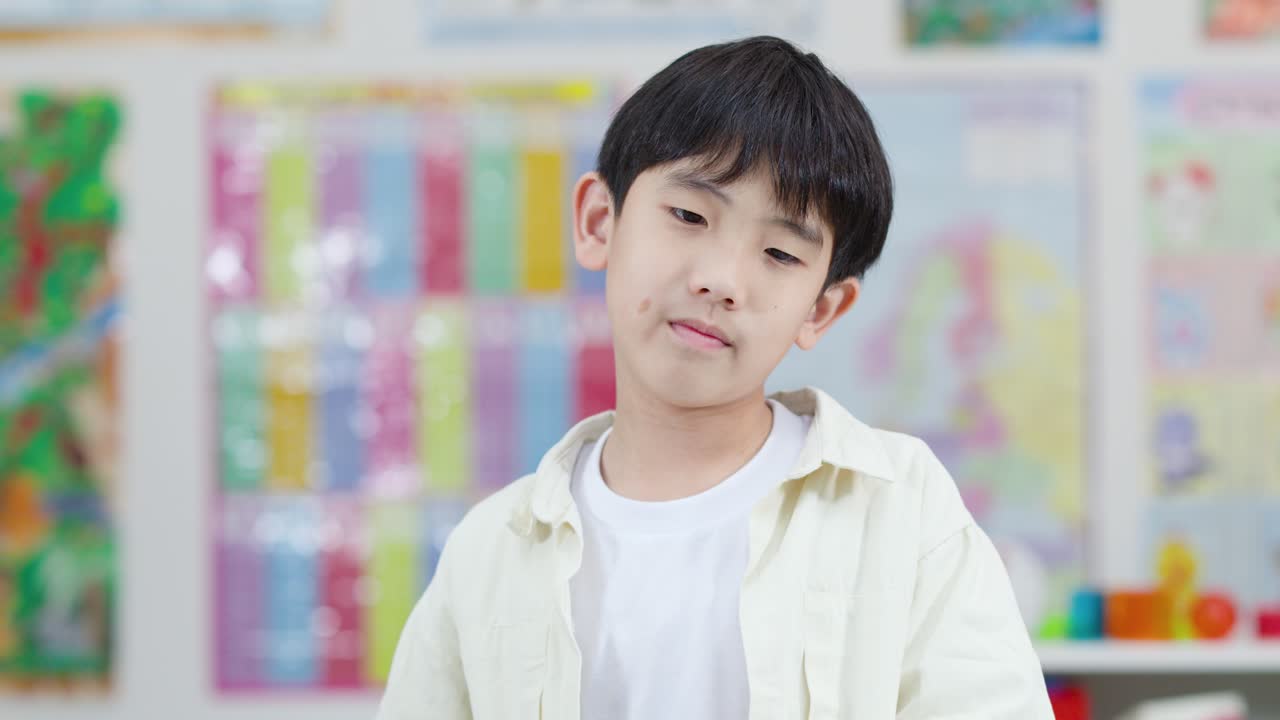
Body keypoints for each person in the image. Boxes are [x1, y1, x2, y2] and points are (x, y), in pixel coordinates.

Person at [377, 35, 1052, 720]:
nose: (721, 280)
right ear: (598, 223)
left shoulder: (902, 510)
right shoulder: (492, 548)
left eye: (781, 254)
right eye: (690, 216)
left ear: (821, 309)